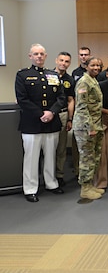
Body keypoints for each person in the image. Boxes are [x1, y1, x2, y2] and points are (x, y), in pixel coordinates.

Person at [15, 43, 66, 202]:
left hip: (51, 123)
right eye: (36, 54)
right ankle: (30, 188)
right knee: (31, 158)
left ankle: (51, 183)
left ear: (46, 56)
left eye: (42, 54)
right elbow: (22, 99)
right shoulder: (22, 75)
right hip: (32, 124)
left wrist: (52, 112)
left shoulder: (54, 75)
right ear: (30, 56)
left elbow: (61, 97)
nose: (39, 56)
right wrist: (40, 114)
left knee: (51, 156)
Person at [73, 56, 105, 200]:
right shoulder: (84, 82)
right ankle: (85, 188)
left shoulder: (94, 81)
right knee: (86, 158)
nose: (96, 68)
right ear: (86, 66)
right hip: (85, 127)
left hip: (95, 125)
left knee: (94, 157)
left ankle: (91, 185)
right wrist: (90, 127)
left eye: (98, 66)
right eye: (93, 65)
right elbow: (81, 106)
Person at [54, 51, 75, 187]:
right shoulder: (47, 75)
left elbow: (71, 100)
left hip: (62, 115)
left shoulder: (69, 80)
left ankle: (59, 175)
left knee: (61, 148)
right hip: (48, 115)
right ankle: (46, 175)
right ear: (56, 61)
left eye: (67, 61)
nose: (63, 63)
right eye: (61, 60)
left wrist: (70, 119)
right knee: (48, 147)